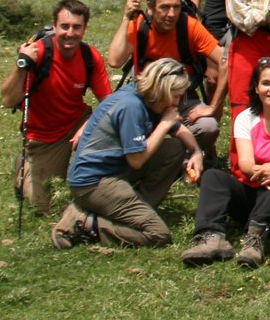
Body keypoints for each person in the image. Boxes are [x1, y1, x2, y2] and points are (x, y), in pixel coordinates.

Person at [182, 55, 270, 268]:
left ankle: (256, 238)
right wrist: (262, 171)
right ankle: (211, 235)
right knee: (213, 176)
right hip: (253, 187)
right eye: (266, 83)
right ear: (256, 87)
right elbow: (245, 163)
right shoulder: (246, 118)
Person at [52, 58, 197, 249]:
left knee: (175, 147)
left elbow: (179, 130)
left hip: (117, 170)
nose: (177, 103)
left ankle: (136, 209)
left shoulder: (150, 97)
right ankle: (85, 222)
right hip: (94, 182)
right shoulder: (131, 106)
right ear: (162, 90)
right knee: (157, 234)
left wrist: (196, 152)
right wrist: (164, 125)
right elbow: (137, 160)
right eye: (176, 96)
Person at [3, 0, 112, 218]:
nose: (70, 33)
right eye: (64, 26)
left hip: (76, 122)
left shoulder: (90, 57)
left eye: (76, 27)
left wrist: (88, 127)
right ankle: (25, 168)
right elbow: (8, 100)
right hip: (44, 136)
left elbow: (109, 103)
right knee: (44, 208)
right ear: (54, 26)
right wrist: (21, 65)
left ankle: (99, 184)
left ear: (85, 28)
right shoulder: (38, 54)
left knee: (112, 131)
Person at [105, 0, 223, 157]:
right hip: (145, 97)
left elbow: (226, 61)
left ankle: (183, 157)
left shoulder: (188, 26)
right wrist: (126, 19)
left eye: (176, 7)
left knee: (208, 126)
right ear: (150, 7)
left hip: (181, 97)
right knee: (124, 128)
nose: (171, 14)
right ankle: (155, 156)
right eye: (164, 7)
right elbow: (115, 60)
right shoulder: (139, 24)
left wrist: (213, 107)